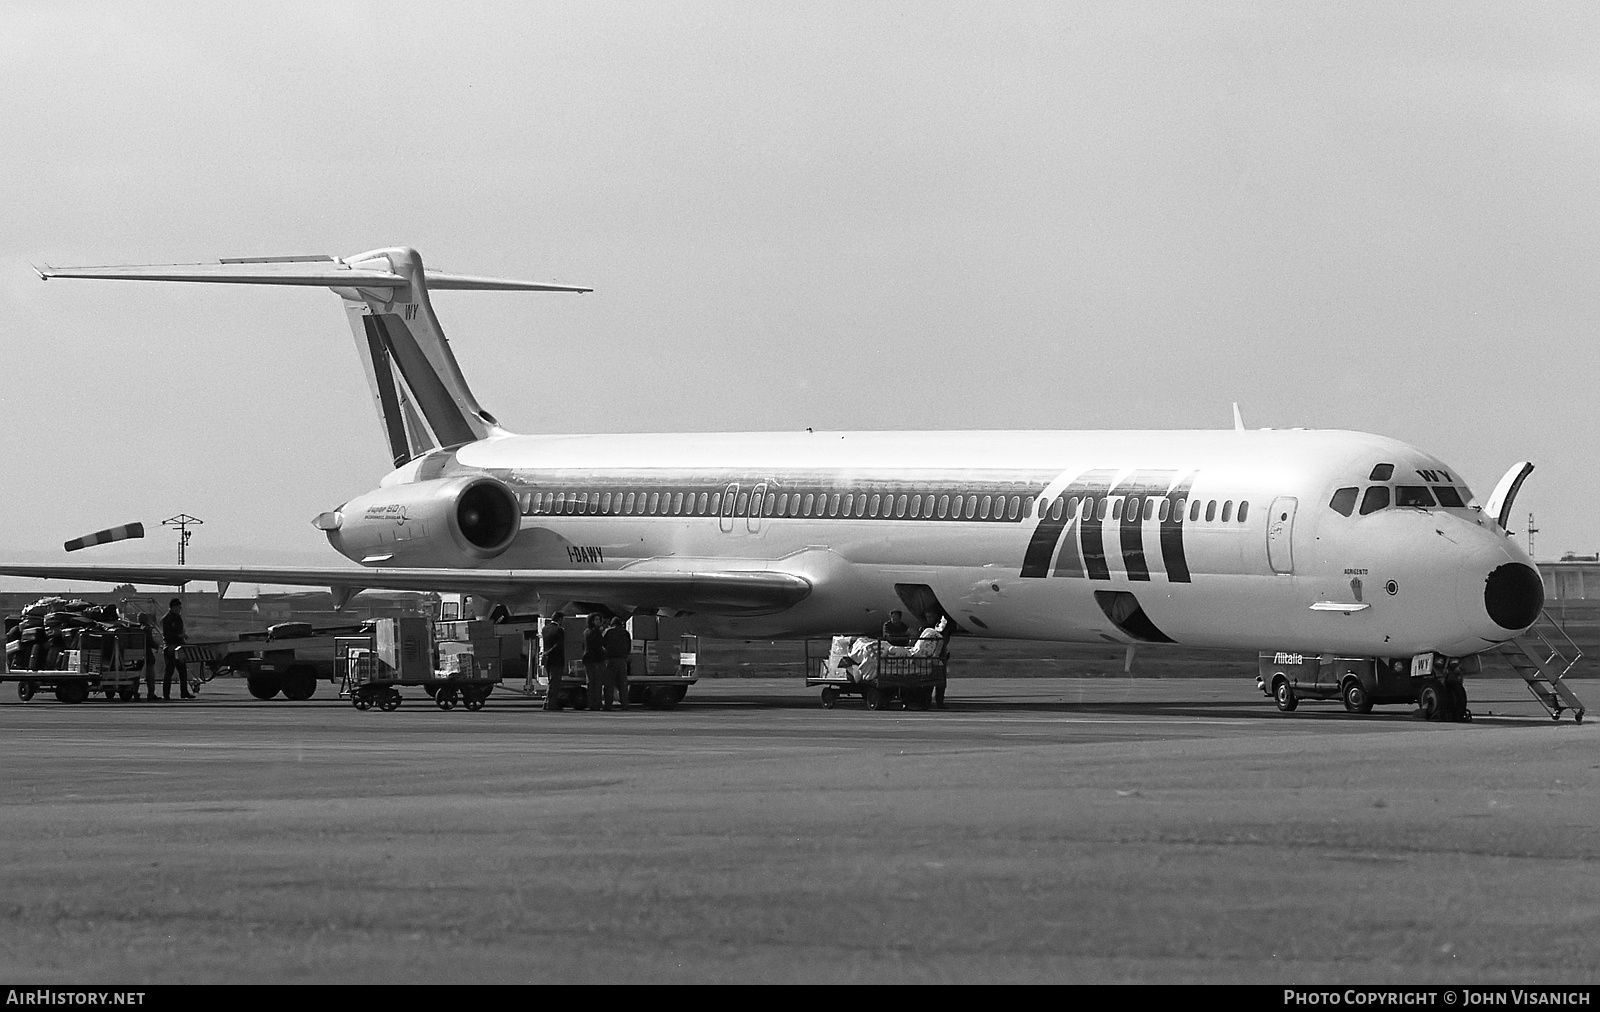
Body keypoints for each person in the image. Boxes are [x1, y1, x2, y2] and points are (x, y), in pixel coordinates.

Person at [160, 598, 193, 700]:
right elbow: (167, 635)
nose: (180, 609)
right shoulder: (166, 619)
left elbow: (180, 630)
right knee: (169, 671)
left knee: (183, 671)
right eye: (178, 607)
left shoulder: (178, 618)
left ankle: (184, 692)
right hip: (170, 647)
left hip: (179, 646)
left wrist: (183, 636)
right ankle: (166, 694)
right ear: (173, 607)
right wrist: (179, 635)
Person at [602, 615, 632, 711]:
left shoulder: (608, 632)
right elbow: (629, 647)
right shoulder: (626, 633)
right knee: (622, 684)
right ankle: (625, 704)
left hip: (610, 661)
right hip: (622, 661)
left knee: (609, 684)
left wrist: (605, 658)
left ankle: (608, 705)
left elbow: (602, 645)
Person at [540, 612, 567, 710]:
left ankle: (547, 702)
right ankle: (552, 704)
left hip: (548, 660)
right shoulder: (559, 630)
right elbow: (558, 645)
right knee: (555, 683)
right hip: (557, 659)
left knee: (550, 682)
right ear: (560, 619)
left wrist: (546, 653)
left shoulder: (545, 629)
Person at [581, 614, 607, 711]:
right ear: (592, 621)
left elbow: (583, 646)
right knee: (598, 683)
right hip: (596, 659)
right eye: (597, 619)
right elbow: (598, 646)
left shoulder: (586, 632)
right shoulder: (596, 632)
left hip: (587, 659)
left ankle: (591, 703)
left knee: (590, 683)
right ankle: (597, 703)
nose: (599, 621)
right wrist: (604, 656)